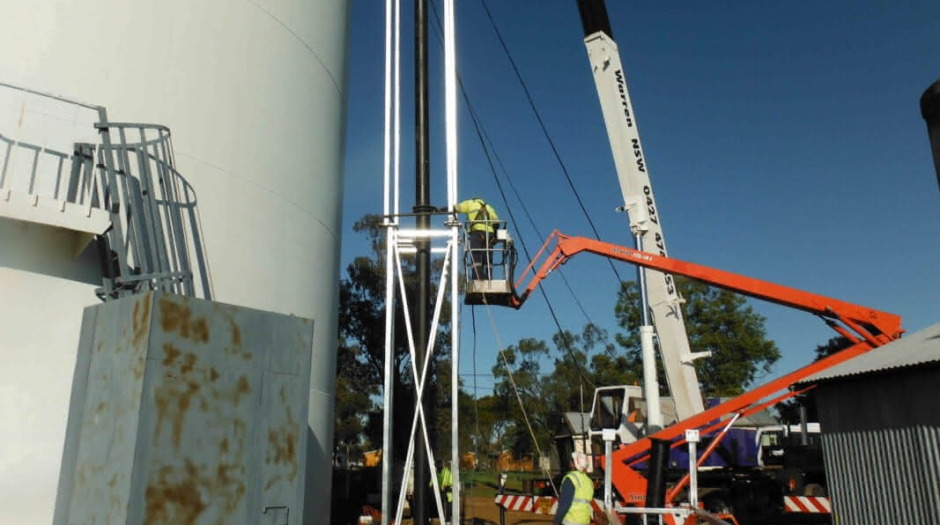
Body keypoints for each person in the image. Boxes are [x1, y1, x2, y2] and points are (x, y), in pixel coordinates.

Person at [453, 198, 499, 280]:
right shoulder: (489, 207)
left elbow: (456, 208)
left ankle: (478, 277)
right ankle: (488, 278)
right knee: (487, 256)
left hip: (477, 232)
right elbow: (496, 221)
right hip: (490, 234)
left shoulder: (470, 203)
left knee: (475, 254)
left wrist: (443, 209)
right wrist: (495, 236)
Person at [554, 451, 593, 525]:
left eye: (572, 460)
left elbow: (564, 505)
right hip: (584, 521)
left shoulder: (571, 479)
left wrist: (556, 521)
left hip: (570, 521)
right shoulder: (589, 481)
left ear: (574, 464)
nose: (570, 462)